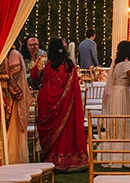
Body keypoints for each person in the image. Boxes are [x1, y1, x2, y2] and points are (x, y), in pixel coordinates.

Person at [32, 38, 88, 172]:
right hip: (67, 103)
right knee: (66, 129)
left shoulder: (45, 62)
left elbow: (34, 75)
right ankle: (72, 157)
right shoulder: (69, 65)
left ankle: (53, 158)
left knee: (55, 129)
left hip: (47, 103)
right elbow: (73, 88)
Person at [101, 40, 130, 163]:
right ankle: (121, 156)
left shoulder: (116, 63)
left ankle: (113, 155)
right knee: (122, 123)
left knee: (115, 123)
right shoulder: (126, 64)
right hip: (122, 94)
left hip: (114, 94)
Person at [0, 39, 29, 164]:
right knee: (11, 129)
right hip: (11, 97)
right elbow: (9, 77)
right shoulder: (12, 54)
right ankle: (12, 158)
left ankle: (12, 158)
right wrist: (17, 93)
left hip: (11, 96)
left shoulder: (11, 54)